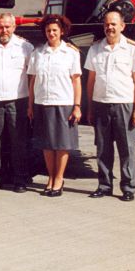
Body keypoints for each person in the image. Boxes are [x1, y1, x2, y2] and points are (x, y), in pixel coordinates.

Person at [85, 10, 135, 202]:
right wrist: (91, 108)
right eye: (107, 24)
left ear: (122, 26)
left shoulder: (132, 49)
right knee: (103, 149)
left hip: (124, 105)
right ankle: (104, 185)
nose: (109, 27)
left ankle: (128, 187)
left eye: (113, 24)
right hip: (101, 104)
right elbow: (91, 81)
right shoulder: (96, 49)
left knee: (126, 149)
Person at [0, 13, 34, 193]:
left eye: (8, 26)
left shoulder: (25, 47)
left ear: (14, 27)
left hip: (18, 99)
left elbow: (32, 76)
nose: (4, 30)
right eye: (1, 27)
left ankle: (20, 178)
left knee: (19, 141)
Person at [27, 14, 82, 197]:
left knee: (62, 144)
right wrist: (30, 105)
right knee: (47, 144)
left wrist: (77, 106)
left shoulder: (71, 53)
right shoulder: (38, 53)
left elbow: (76, 81)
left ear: (62, 32)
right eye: (48, 30)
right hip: (42, 103)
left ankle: (59, 178)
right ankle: (50, 177)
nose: (51, 33)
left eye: (55, 30)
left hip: (63, 102)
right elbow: (33, 80)